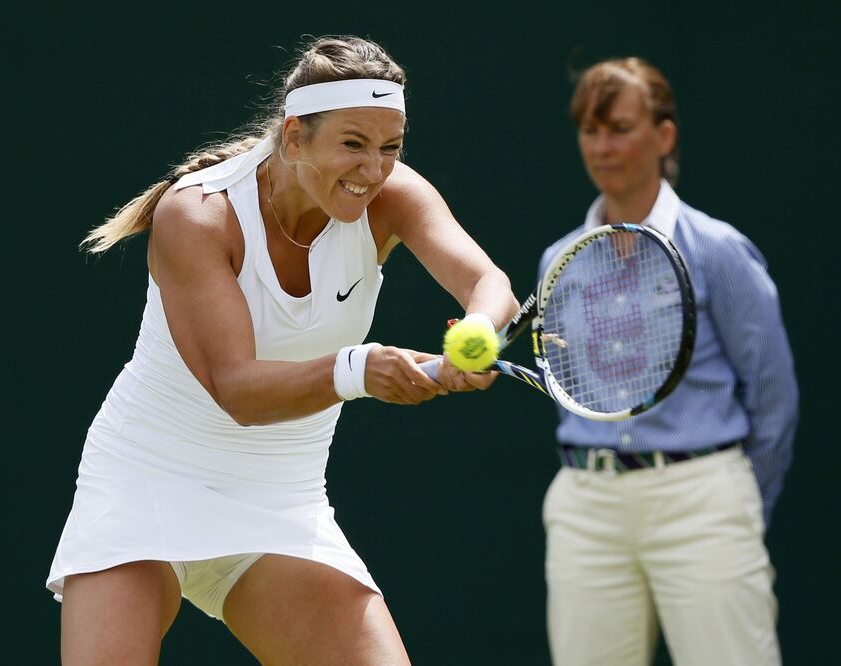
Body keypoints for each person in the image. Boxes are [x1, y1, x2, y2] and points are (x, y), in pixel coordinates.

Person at [47, 35, 519, 665]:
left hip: (281, 500)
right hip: (145, 480)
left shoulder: (394, 195)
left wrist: (478, 337)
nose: (373, 170)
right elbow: (237, 390)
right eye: (353, 144)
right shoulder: (199, 214)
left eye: (390, 147)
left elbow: (489, 284)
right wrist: (359, 369)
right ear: (294, 138)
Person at [537, 57, 799, 666]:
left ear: (664, 136)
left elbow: (774, 395)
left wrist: (733, 501)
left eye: (620, 129)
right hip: (585, 505)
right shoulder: (559, 260)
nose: (602, 147)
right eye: (589, 130)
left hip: (702, 501)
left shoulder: (718, 250)